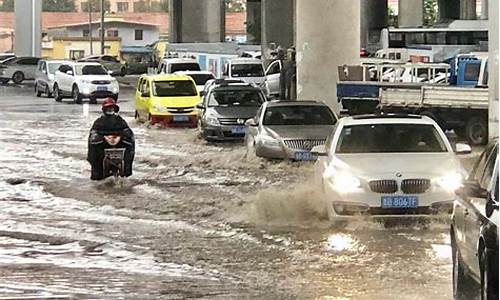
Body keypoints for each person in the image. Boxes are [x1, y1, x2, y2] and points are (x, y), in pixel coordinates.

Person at [87, 98, 135, 180]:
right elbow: (93, 133)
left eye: (111, 109)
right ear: (104, 110)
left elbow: (128, 131)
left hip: (119, 145)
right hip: (103, 145)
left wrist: (125, 135)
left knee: (130, 147)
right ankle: (97, 173)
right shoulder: (99, 122)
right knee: (94, 152)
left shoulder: (120, 121)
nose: (110, 110)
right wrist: (98, 137)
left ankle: (127, 171)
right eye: (108, 109)